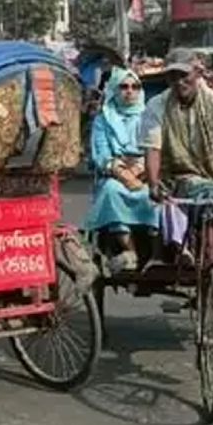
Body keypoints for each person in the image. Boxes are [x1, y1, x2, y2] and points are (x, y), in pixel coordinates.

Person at [140, 48, 213, 320]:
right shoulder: (157, 106)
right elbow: (152, 149)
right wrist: (153, 184)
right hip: (179, 180)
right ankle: (207, 264)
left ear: (197, 74)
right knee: (202, 194)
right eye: (172, 77)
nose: (179, 82)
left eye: (184, 75)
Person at [84, 67, 159, 272]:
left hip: (146, 171)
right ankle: (129, 250)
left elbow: (156, 147)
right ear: (115, 90)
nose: (129, 91)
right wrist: (122, 173)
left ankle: (157, 254)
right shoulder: (103, 119)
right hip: (115, 173)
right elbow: (101, 153)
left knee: (155, 194)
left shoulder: (149, 116)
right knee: (110, 190)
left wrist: (141, 170)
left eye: (135, 87)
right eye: (124, 87)